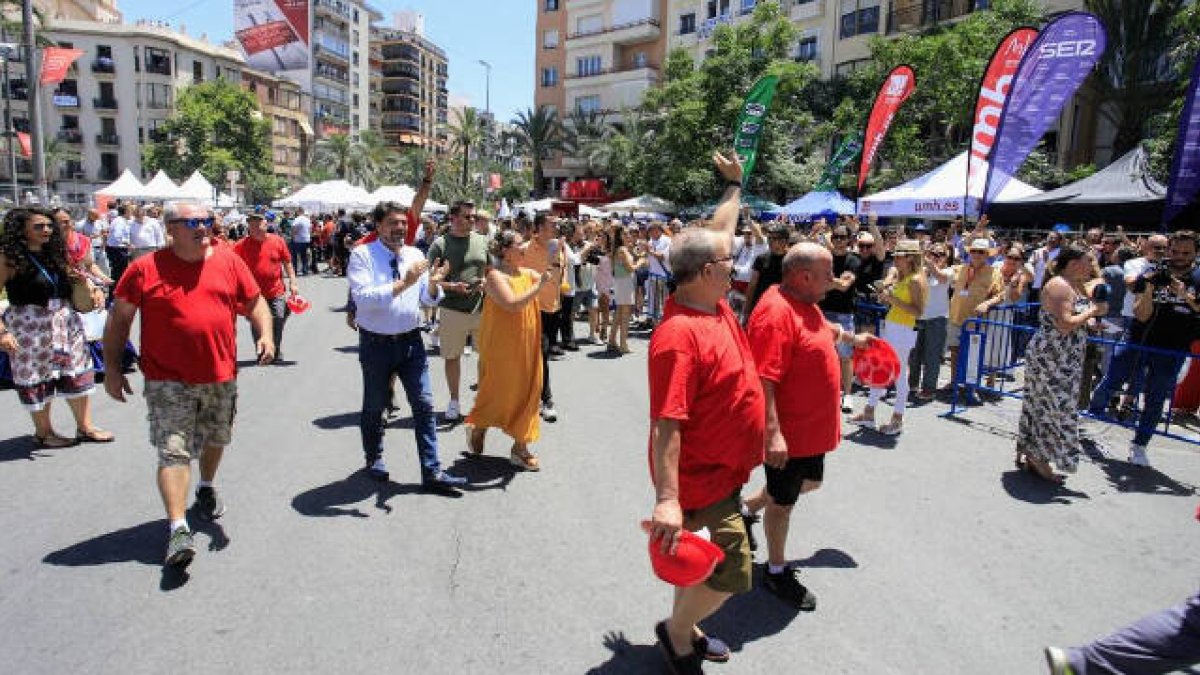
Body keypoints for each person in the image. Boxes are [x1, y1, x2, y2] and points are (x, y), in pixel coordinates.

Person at [103, 202, 273, 569]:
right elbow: (119, 321)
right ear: (171, 229)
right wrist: (112, 369)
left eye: (207, 221)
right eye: (193, 222)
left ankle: (206, 486)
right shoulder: (143, 269)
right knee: (174, 450)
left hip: (220, 374)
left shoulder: (228, 261)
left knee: (216, 438)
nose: (204, 227)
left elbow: (256, 301)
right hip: (167, 380)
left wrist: (266, 333)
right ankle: (178, 527)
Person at [647, 151, 761, 675]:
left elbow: (720, 229)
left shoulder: (708, 298)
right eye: (726, 265)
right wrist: (668, 499)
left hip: (723, 471)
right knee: (731, 571)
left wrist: (734, 186)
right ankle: (676, 633)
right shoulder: (678, 337)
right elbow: (667, 423)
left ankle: (683, 631)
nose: (734, 269)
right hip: (700, 482)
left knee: (696, 562)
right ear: (698, 274)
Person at [743, 242, 872, 610]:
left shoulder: (802, 300)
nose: (832, 279)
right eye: (827, 273)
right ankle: (777, 570)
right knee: (783, 504)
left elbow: (818, 325)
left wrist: (851, 338)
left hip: (812, 428)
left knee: (808, 483)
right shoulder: (775, 313)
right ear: (803, 277)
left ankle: (748, 509)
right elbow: (763, 379)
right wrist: (773, 433)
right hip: (791, 432)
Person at [347, 200, 465, 493]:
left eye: (403, 223)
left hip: (411, 342)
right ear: (378, 226)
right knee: (375, 406)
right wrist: (406, 281)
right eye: (392, 223)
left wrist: (435, 283)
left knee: (424, 406)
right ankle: (374, 457)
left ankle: (432, 471)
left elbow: (426, 299)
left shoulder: (415, 254)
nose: (399, 228)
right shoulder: (362, 255)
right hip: (376, 344)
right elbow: (365, 299)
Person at [0, 207, 112, 448]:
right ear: (21, 229)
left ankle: (86, 427)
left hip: (65, 321)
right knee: (37, 378)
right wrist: (2, 332)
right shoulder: (8, 257)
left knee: (78, 372)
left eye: (49, 225)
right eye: (39, 226)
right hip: (28, 326)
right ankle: (44, 432)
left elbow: (75, 278)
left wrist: (92, 288)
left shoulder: (55, 253)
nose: (47, 230)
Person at [1087, 231, 1200, 466]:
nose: (1179, 257)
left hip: (1172, 348)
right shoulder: (1150, 272)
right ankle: (1091, 415)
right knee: (1113, 379)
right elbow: (1141, 313)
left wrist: (1184, 295)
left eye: (1185, 253)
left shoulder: (1198, 277)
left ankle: (1139, 445)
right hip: (1137, 339)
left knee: (1155, 398)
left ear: (1195, 253)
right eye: (1174, 251)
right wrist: (1149, 287)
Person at [1014, 244, 1107, 484]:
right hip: (1053, 358)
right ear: (1075, 263)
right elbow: (1064, 324)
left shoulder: (1073, 286)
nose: (1093, 267)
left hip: (1064, 357)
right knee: (1050, 407)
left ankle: (1033, 451)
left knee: (1046, 405)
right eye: (1089, 262)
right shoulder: (1059, 286)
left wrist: (1089, 322)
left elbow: (1071, 319)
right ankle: (1038, 458)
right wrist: (1093, 311)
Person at [466, 230, 551, 471]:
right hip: (502, 348)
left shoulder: (526, 273)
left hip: (528, 344)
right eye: (518, 244)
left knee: (529, 392)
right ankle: (479, 425)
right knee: (498, 392)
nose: (523, 247)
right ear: (504, 250)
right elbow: (513, 304)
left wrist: (553, 260)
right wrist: (540, 285)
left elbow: (552, 281)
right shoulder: (494, 277)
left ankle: (520, 449)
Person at [851, 240, 927, 435]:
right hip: (893, 327)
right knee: (882, 369)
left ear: (910, 258)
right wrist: (887, 298)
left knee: (899, 374)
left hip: (904, 330)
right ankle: (869, 412)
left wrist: (893, 299)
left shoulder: (917, 279)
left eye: (899, 256)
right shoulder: (904, 277)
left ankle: (897, 418)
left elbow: (918, 312)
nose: (895, 259)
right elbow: (900, 303)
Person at [427, 198, 489, 423]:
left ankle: (483, 399)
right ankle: (454, 401)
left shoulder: (483, 241)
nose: (472, 220)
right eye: (467, 216)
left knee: (487, 356)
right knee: (452, 357)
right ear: (453, 217)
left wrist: (485, 282)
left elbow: (490, 270)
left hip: (481, 308)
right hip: (452, 310)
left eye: (473, 217)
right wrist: (452, 286)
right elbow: (431, 281)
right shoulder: (440, 245)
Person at [233, 212, 298, 364]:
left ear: (266, 224)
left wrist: (293, 282)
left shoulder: (278, 241)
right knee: (257, 323)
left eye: (257, 223)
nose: (254, 227)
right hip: (253, 294)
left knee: (279, 318)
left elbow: (287, 262)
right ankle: (263, 351)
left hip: (276, 291)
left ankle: (273, 347)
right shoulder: (241, 245)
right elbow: (230, 263)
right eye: (251, 224)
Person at [522, 213, 566, 421]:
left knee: (541, 354)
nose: (556, 226)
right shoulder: (524, 249)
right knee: (542, 352)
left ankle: (534, 395)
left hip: (553, 308)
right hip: (532, 308)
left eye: (556, 224)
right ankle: (546, 399)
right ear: (538, 228)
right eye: (552, 224)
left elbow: (561, 271)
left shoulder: (559, 246)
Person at [946, 238, 1005, 390]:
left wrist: (987, 303)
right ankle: (954, 382)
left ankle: (971, 387)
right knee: (954, 351)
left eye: (981, 252)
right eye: (974, 251)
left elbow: (1000, 296)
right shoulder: (960, 268)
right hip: (956, 316)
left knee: (974, 354)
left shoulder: (994, 273)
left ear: (987, 255)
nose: (977, 254)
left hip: (976, 321)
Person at [818, 224, 861, 412]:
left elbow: (844, 286)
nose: (838, 240)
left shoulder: (853, 260)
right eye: (835, 237)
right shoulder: (825, 258)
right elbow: (823, 284)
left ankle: (848, 395)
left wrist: (829, 281)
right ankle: (828, 392)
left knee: (845, 356)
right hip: (823, 312)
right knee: (824, 356)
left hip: (844, 314)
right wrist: (834, 282)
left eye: (842, 237)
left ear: (849, 240)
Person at [909, 243, 953, 400]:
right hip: (918, 317)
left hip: (937, 319)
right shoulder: (922, 272)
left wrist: (927, 261)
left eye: (940, 254)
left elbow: (940, 277)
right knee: (914, 355)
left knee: (932, 356)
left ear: (946, 258)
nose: (936, 257)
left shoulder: (949, 271)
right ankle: (912, 385)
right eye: (933, 253)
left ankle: (929, 389)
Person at [607, 224, 637, 354]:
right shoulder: (622, 250)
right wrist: (641, 261)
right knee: (624, 316)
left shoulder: (620, 249)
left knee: (619, 314)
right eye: (625, 234)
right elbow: (630, 268)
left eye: (628, 233)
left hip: (622, 282)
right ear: (620, 236)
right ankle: (623, 344)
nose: (628, 235)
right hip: (624, 282)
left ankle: (612, 341)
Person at [104, 204, 132, 283]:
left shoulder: (119, 220)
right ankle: (115, 293)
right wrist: (128, 244)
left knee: (117, 274)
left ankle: (115, 292)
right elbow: (117, 237)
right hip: (118, 251)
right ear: (126, 212)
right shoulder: (120, 221)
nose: (131, 214)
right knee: (119, 274)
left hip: (116, 250)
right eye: (130, 211)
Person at [290, 207, 313, 276]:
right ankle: (305, 270)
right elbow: (310, 229)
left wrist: (293, 237)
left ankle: (295, 271)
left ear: (299, 211)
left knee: (294, 256)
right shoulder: (307, 219)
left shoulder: (297, 219)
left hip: (298, 239)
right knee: (304, 256)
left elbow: (294, 229)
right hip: (306, 239)